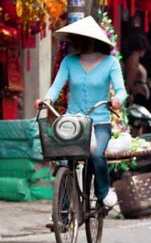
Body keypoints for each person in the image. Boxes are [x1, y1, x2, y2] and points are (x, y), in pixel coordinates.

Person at [38, 16, 127, 208]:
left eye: (83, 38)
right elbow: (56, 86)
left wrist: (118, 100)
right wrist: (47, 100)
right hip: (73, 123)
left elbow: (121, 90)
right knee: (64, 162)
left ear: (94, 40)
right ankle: (62, 214)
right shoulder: (69, 61)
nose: (79, 42)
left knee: (96, 156)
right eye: (76, 38)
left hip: (99, 122)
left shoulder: (110, 62)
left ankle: (103, 192)